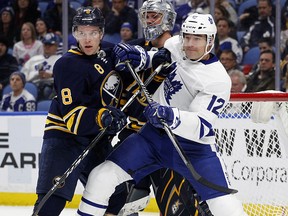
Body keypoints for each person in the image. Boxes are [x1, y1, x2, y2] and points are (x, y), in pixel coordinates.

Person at [76, 13, 248, 216]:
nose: (190, 44)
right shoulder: (176, 44)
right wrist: (138, 56)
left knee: (223, 205)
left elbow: (201, 125)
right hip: (152, 137)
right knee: (100, 177)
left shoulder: (217, 79)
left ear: (210, 41)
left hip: (192, 148)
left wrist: (170, 115)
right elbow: (157, 59)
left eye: (197, 38)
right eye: (187, 36)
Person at [32, 6, 148, 216]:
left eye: (93, 32)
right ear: (75, 33)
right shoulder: (67, 65)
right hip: (64, 139)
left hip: (97, 139)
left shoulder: (109, 51)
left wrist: (149, 55)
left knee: (117, 194)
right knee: (52, 199)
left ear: (101, 33)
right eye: (82, 33)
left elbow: (139, 47)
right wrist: (103, 116)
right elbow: (73, 119)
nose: (87, 38)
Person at [21, 32, 61, 100]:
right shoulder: (33, 59)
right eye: (45, 44)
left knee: (47, 90)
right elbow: (22, 76)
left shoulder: (61, 59)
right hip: (33, 85)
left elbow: (67, 76)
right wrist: (37, 74)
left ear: (56, 46)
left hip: (51, 87)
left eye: (50, 44)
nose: (47, 47)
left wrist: (52, 75)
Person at [0, 35, 18, 100]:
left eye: (2, 45)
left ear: (6, 47)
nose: (0, 47)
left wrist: (2, 84)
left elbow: (14, 75)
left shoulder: (11, 59)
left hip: (7, 85)